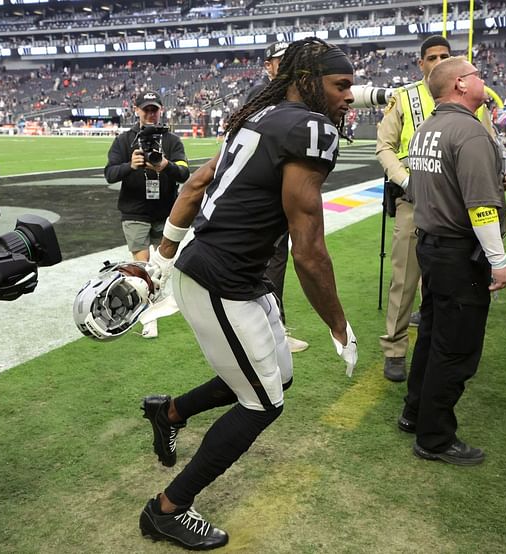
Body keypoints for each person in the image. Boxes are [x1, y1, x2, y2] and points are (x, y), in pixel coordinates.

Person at [137, 38, 358, 550]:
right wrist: (338, 324)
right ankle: (168, 508)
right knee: (262, 403)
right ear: (308, 81)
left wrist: (166, 255)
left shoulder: (258, 116)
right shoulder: (311, 127)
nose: (350, 96)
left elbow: (195, 184)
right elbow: (308, 249)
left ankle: (168, 413)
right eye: (340, 85)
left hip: (229, 273)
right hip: (222, 280)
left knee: (276, 377)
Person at [399, 56, 506, 466]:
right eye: (478, 75)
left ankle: (415, 412)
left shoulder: (428, 128)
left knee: (431, 335)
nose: (484, 80)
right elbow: (481, 207)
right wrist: (498, 262)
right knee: (456, 347)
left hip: (431, 245)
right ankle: (435, 437)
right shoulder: (469, 132)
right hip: (457, 253)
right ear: (461, 84)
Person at [376, 35, 506, 382]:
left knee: (451, 281)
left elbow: (487, 141)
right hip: (414, 199)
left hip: (457, 202)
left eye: (444, 56)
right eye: (431, 56)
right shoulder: (403, 97)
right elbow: (385, 146)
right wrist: (407, 181)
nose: (437, 61)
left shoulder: (469, 100)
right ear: (420, 63)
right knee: (405, 278)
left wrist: (499, 172)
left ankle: (437, 351)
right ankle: (394, 347)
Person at [104, 90, 190, 338]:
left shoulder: (171, 141)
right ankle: (148, 319)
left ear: (161, 111)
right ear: (137, 110)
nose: (151, 114)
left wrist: (165, 166)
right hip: (135, 212)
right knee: (143, 269)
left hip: (166, 213)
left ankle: (152, 306)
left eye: (154, 109)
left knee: (162, 269)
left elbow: (184, 173)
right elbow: (109, 173)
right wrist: (129, 166)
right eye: (146, 109)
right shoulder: (123, 141)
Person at [245, 40, 309, 353]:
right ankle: (267, 329)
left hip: (279, 185)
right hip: (261, 190)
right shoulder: (262, 92)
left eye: (290, 59)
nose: (286, 65)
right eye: (280, 60)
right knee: (265, 259)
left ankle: (275, 326)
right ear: (268, 65)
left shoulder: (291, 92)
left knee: (276, 258)